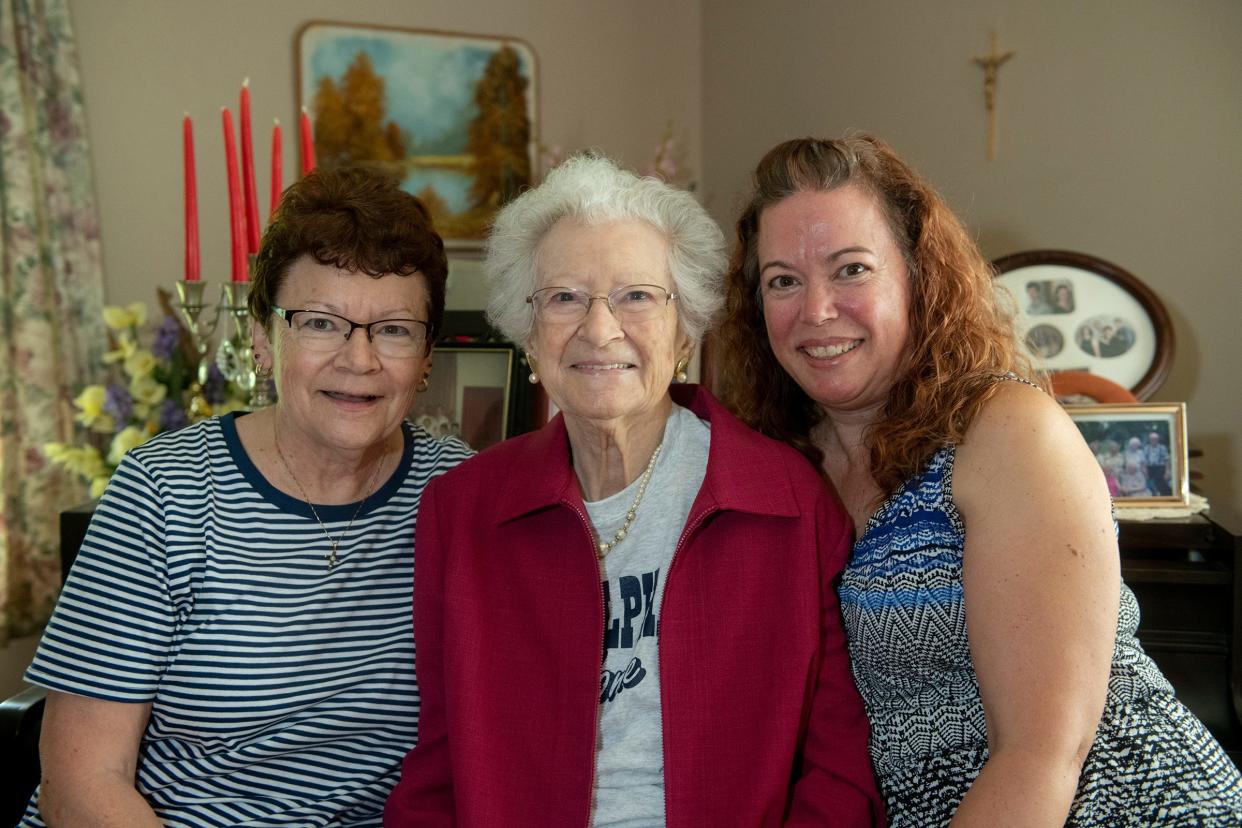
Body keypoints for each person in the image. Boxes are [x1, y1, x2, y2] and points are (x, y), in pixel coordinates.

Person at [717, 135, 1242, 827]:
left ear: (917, 276)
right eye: (783, 279)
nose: (815, 310)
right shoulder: (776, 463)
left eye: (850, 270)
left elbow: (1043, 753)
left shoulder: (1005, 433)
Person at [385, 155, 884, 826]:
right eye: (564, 297)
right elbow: (440, 769)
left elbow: (839, 771)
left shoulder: (788, 500)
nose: (600, 328)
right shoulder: (464, 511)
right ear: (527, 335)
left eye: (637, 296)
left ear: (685, 329)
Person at [22, 167, 472, 827]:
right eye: (321, 323)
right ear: (263, 339)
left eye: (395, 330)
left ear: (428, 354)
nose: (360, 358)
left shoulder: (461, 495)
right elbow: (81, 782)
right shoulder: (166, 491)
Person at [1142, 431, 1173, 497]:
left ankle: (1166, 495)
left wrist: (1167, 471)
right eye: (1152, 439)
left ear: (1158, 439)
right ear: (1150, 440)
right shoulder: (1146, 448)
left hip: (1160, 467)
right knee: (1147, 481)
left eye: (1155, 439)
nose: (1154, 440)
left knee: (1159, 480)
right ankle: (1153, 494)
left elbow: (1166, 460)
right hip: (1149, 467)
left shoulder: (1162, 448)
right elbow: (1144, 460)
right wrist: (1144, 469)